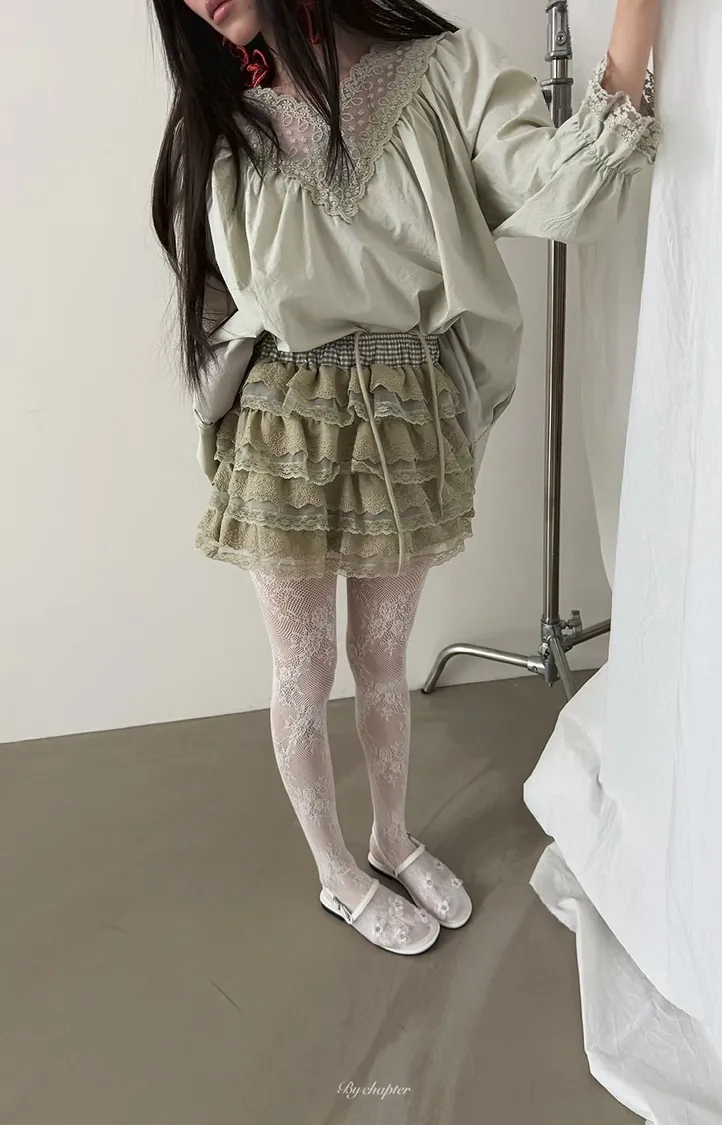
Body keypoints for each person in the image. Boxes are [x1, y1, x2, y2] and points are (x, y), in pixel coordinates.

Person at [150, 0, 660, 955]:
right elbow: (214, 306)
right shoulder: (219, 127)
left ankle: (391, 837)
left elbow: (568, 188)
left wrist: (642, 12)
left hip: (406, 415)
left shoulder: (444, 71)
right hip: (285, 426)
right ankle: (335, 871)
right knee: (303, 669)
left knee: (383, 659)